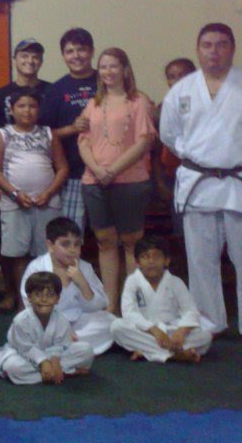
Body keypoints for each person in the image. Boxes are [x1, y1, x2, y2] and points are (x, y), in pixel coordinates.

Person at [160, 22, 242, 336]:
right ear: (198, 50)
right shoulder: (182, 90)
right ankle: (209, 320)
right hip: (198, 181)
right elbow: (169, 134)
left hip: (237, 181)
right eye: (207, 45)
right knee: (200, 259)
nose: (214, 51)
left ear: (232, 49)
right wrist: (193, 156)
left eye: (221, 44)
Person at [78, 47, 156, 312]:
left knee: (132, 244)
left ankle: (133, 306)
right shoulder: (94, 103)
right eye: (103, 66)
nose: (108, 71)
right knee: (105, 242)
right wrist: (97, 170)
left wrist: (112, 170)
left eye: (113, 66)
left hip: (130, 182)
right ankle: (110, 307)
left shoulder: (138, 101)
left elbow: (144, 141)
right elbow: (83, 141)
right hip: (95, 182)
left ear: (124, 69)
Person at [0, 88, 68, 311]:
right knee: (18, 255)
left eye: (32, 106)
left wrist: (48, 193)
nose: (27, 110)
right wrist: (14, 193)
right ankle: (24, 303)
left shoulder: (48, 133)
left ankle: (45, 301)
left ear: (38, 109)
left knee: (45, 255)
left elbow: (62, 168)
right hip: (15, 204)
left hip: (47, 202)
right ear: (12, 110)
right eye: (21, 106)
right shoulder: (3, 135)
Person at [20, 217, 114, 355]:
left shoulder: (84, 267)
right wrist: (59, 330)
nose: (72, 250)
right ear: (50, 245)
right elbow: (32, 308)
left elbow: (100, 305)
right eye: (65, 244)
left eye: (77, 244)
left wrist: (82, 282)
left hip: (78, 322)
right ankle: (65, 345)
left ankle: (63, 345)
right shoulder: (37, 268)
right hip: (47, 324)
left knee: (112, 323)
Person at [110, 236, 211, 363]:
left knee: (206, 335)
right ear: (137, 263)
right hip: (145, 331)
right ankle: (175, 354)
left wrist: (181, 331)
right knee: (117, 327)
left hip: (172, 332)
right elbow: (129, 313)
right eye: (145, 257)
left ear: (166, 261)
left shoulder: (176, 282)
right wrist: (153, 330)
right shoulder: (132, 281)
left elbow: (190, 311)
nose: (151, 261)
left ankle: (147, 351)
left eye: (156, 256)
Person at [39, 28, 98, 226]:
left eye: (81, 49)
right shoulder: (56, 90)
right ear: (63, 55)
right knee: (72, 232)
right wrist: (72, 128)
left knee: (109, 235)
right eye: (70, 51)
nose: (76, 56)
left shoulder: (107, 82)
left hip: (110, 171)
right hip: (73, 174)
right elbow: (43, 134)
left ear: (91, 51)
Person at [0, 271, 94, 385]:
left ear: (57, 298)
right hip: (24, 355)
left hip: (52, 355)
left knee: (86, 349)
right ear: (29, 298)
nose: (44, 299)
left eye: (50, 295)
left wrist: (55, 360)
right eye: (38, 295)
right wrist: (43, 362)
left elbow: (61, 345)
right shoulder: (20, 321)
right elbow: (25, 348)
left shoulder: (61, 320)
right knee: (14, 367)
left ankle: (49, 372)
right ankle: (61, 372)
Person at [151, 58, 197, 235]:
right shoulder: (163, 108)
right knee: (182, 229)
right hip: (173, 176)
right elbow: (156, 151)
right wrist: (160, 182)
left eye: (183, 75)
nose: (177, 80)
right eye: (172, 76)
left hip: (202, 175)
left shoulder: (206, 104)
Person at [0, 38, 51, 128]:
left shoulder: (53, 92)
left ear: (41, 62)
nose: (30, 61)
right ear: (14, 60)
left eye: (35, 57)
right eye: (24, 56)